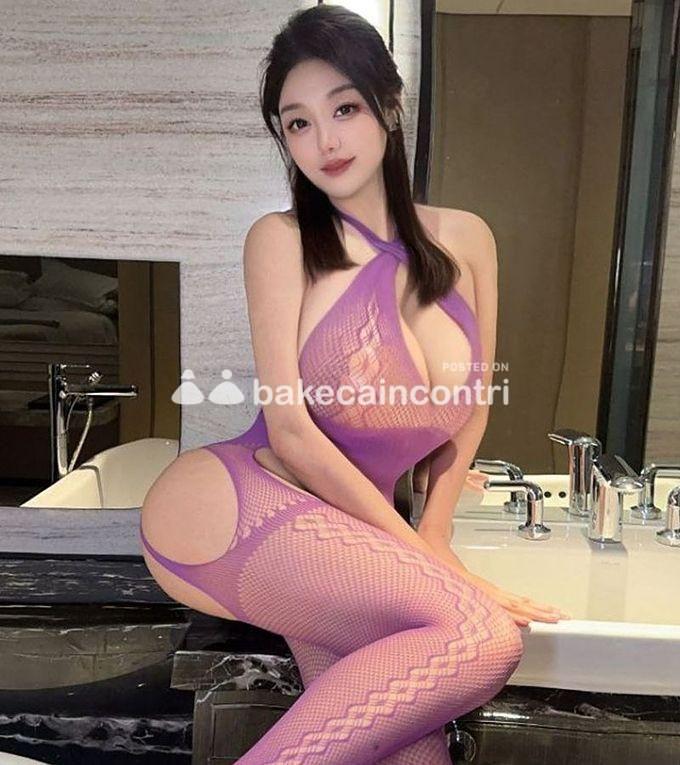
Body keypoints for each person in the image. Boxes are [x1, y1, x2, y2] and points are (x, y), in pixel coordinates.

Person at [139, 6, 569, 764]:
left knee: (415, 754)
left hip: (339, 531)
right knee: (481, 634)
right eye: (298, 123)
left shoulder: (466, 237)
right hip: (238, 506)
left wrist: (436, 532)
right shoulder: (279, 241)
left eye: (344, 109)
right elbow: (292, 432)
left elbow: (471, 408)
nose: (325, 141)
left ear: (389, 106)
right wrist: (425, 559)